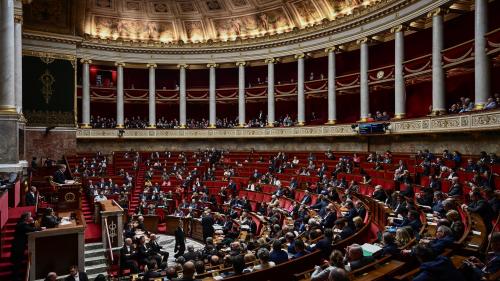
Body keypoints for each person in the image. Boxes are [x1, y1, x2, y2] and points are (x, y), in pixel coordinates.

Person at [11, 212, 39, 281]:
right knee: (17, 263)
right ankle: (15, 278)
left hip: (18, 246)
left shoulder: (22, 223)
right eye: (30, 216)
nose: (31, 217)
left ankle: (16, 276)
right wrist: (37, 226)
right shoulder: (22, 224)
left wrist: (31, 223)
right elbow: (31, 229)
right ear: (26, 218)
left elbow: (29, 228)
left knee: (18, 263)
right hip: (18, 247)